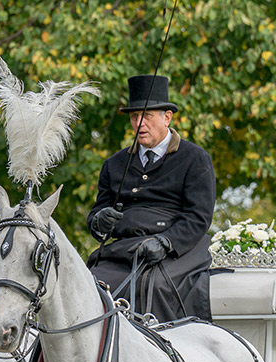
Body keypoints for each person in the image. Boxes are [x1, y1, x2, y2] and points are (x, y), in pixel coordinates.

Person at [86, 74, 216, 322]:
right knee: (91, 285)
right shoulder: (114, 164)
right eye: (135, 117)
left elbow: (198, 216)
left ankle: (168, 344)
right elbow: (96, 215)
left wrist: (167, 242)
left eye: (147, 116)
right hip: (126, 250)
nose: (139, 124)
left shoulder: (194, 158)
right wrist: (99, 220)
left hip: (178, 249)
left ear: (167, 117)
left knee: (154, 286)